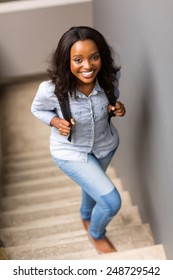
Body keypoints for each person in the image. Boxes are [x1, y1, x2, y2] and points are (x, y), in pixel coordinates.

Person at [31, 26, 126, 254]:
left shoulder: (109, 79)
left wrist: (117, 108)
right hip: (71, 152)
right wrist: (56, 122)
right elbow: (37, 109)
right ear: (66, 61)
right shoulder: (51, 89)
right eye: (78, 59)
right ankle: (96, 233)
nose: (88, 66)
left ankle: (85, 215)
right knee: (112, 202)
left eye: (94, 57)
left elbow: (113, 102)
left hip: (105, 146)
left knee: (92, 185)